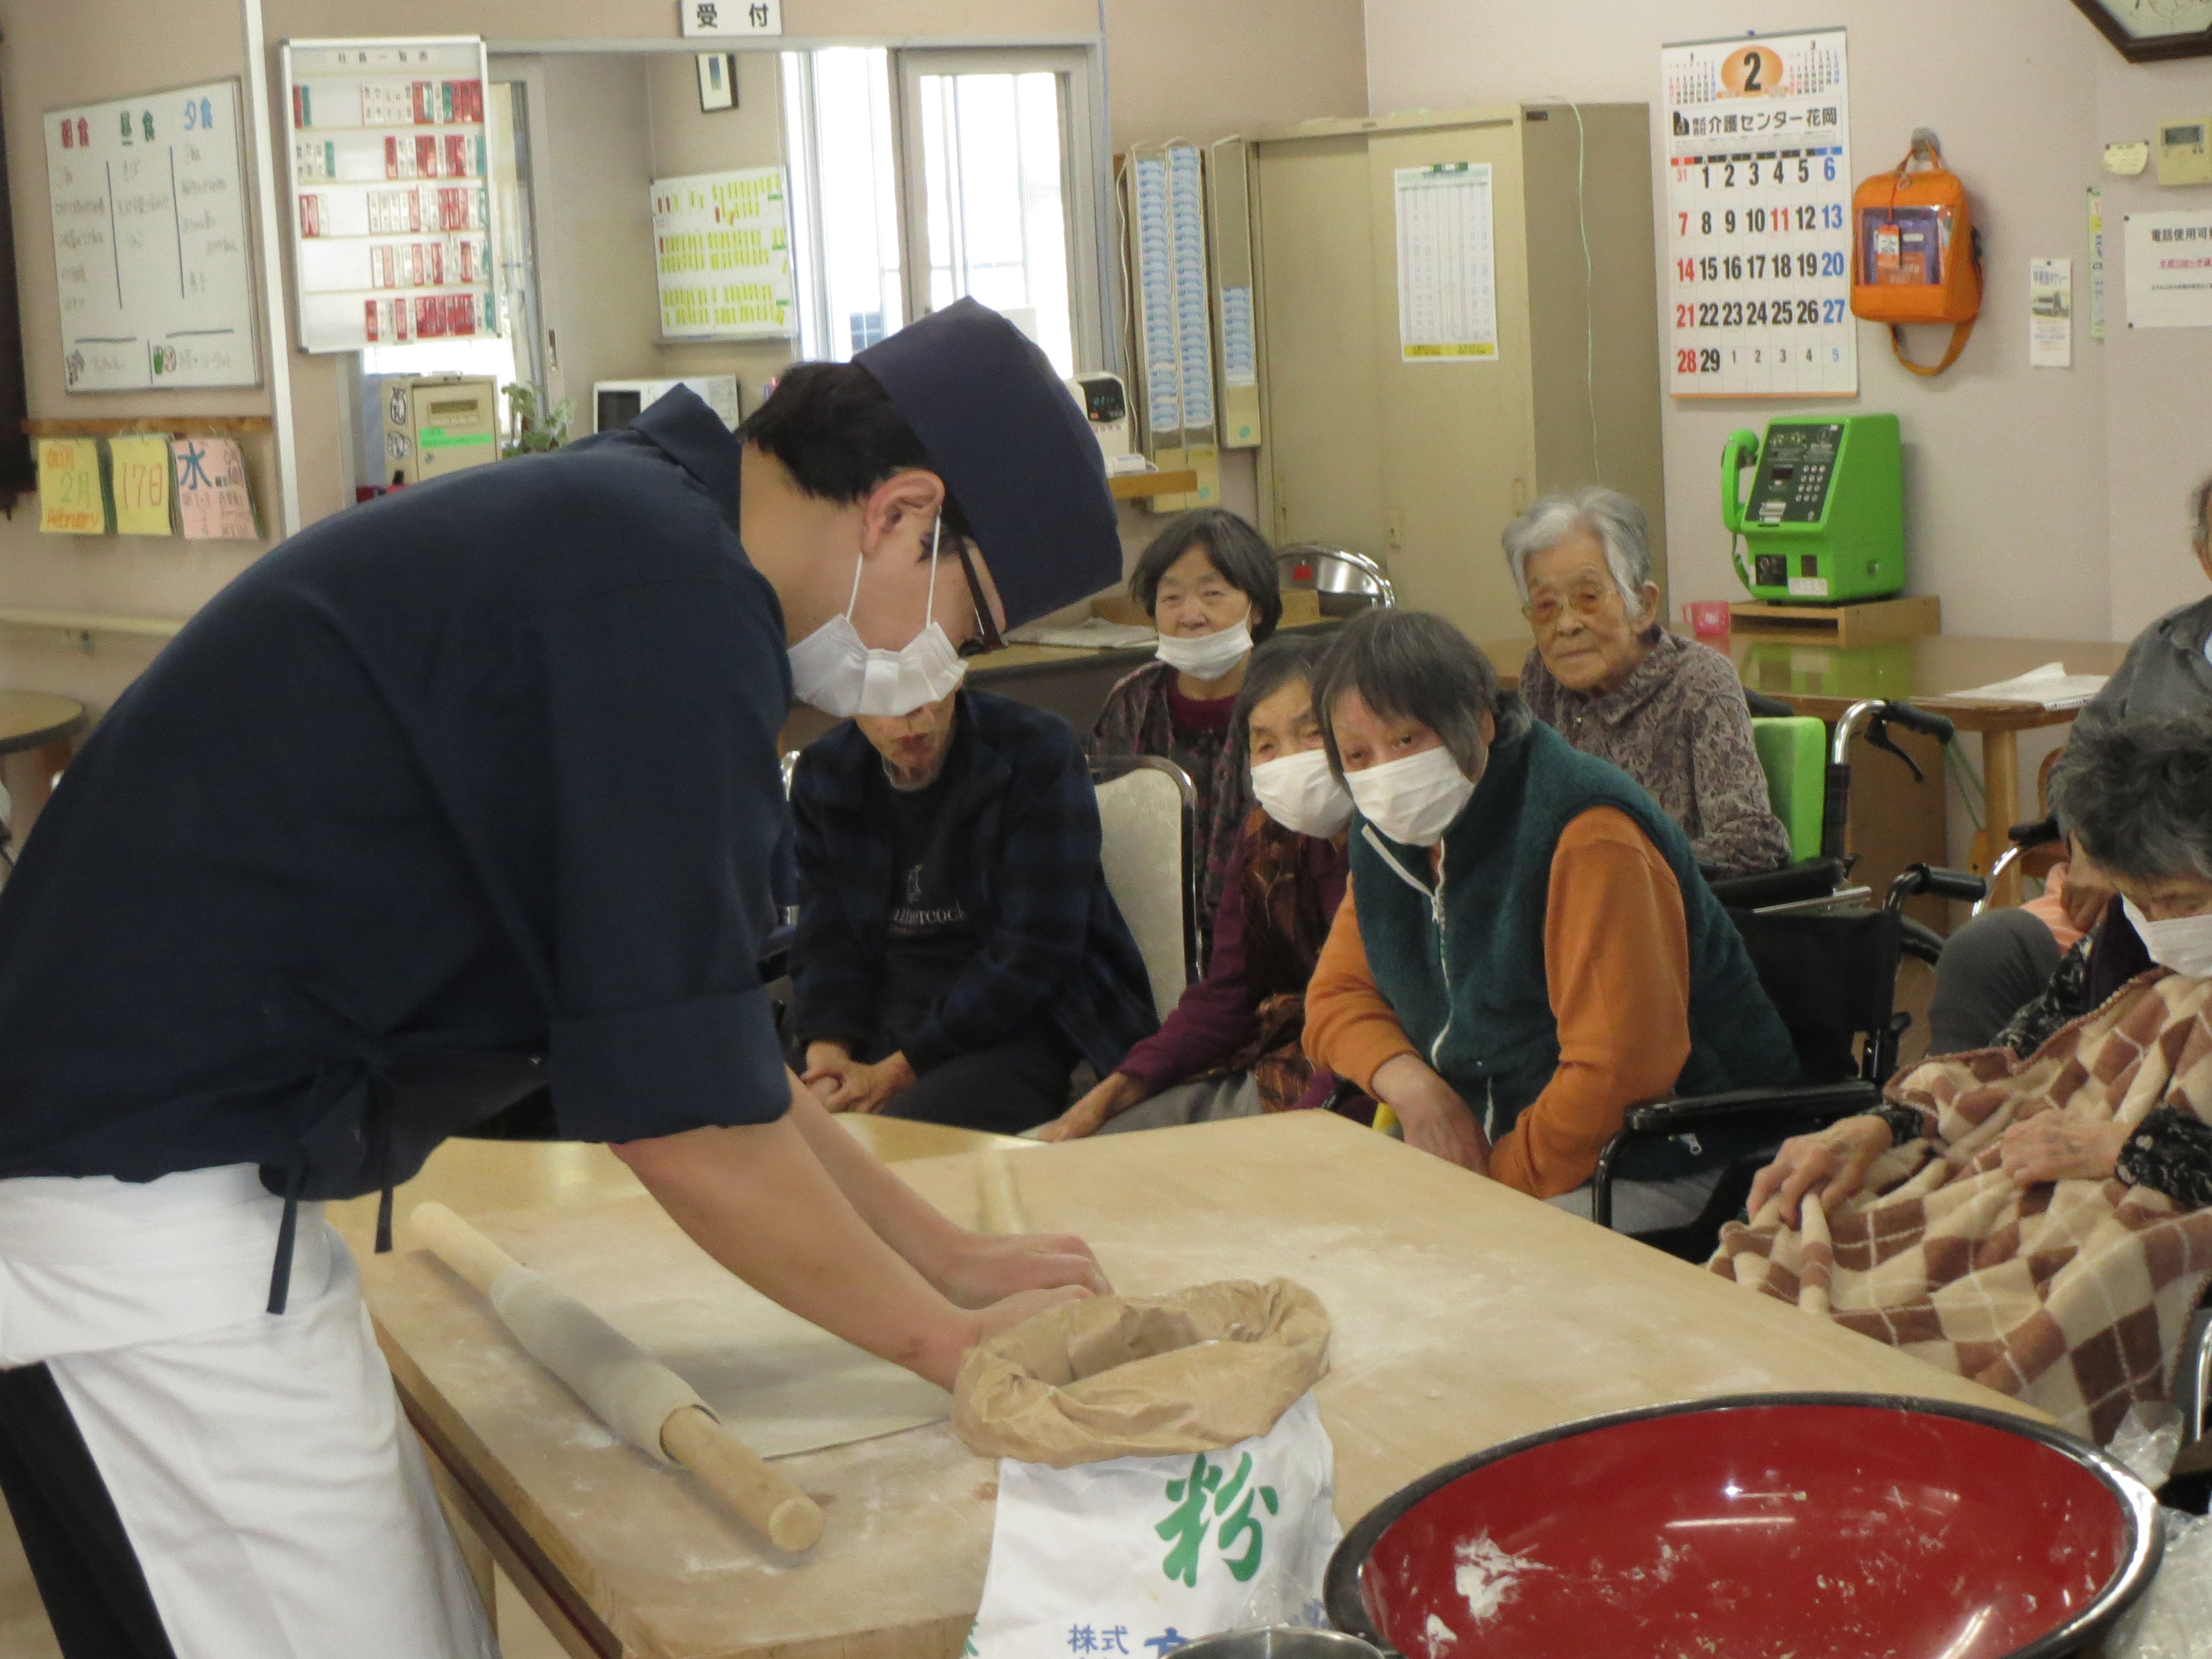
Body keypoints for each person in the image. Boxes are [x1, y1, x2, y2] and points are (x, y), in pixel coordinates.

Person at [0, 299, 1122, 1659]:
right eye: (972, 618)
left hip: (181, 1180)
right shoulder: (666, 593)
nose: (945, 664)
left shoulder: (639, 536)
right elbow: (683, 1123)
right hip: (131, 1216)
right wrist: (951, 1348)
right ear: (900, 514)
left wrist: (944, 1256)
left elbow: (710, 1058)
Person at [1718, 712, 2212, 1443]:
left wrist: (2128, 1147)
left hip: (2139, 1197)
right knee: (1817, 1240)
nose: (2159, 924)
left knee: (1985, 1340)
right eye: (2142, 902)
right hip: (2049, 1166)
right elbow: (2030, 1052)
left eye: (2182, 904)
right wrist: (1890, 1121)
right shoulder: (2136, 924)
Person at [1301, 609, 1801, 1231]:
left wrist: (1492, 1183)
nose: (1385, 772)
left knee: (1453, 1264)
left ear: (1480, 721)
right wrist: (1414, 1089)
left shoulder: (1585, 830)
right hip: (1511, 1140)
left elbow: (1620, 1071)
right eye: (1357, 755)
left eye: (1407, 741)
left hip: (1677, 1150)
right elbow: (1336, 998)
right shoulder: (1388, 838)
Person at [789, 682, 1157, 1136]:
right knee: (755, 1125)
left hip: (1021, 1020)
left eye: (923, 690)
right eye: (884, 699)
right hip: (887, 1010)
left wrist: (897, 1071)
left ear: (954, 676)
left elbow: (1038, 949)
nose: (910, 719)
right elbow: (828, 934)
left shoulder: (1034, 747)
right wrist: (828, 1056)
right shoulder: (826, 771)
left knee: (895, 1142)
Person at [1929, 471, 2212, 1053]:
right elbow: (2081, 766)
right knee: (1987, 949)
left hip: (2191, 901)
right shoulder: (2164, 644)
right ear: (2204, 555)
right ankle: (1960, 1124)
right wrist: (2091, 850)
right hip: (2120, 896)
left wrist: (2156, 877)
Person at [1040, 634, 1355, 1139]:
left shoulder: (1393, 842)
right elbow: (1227, 996)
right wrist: (1107, 1097)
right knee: (1085, 1143)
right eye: (1267, 744)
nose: (1290, 760)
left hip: (1357, 1080)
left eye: (1311, 734)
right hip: (1278, 1058)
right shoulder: (1266, 839)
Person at [1507, 488, 1790, 879]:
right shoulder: (1541, 678)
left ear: (1642, 606)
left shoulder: (1698, 681)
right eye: (1545, 606)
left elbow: (1751, 843)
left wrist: (1616, 867)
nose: (1567, 624)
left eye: (1588, 597)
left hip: (1674, 919)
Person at [1090, 508, 1283, 947]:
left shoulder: (1290, 702)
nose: (1190, 615)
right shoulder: (1132, 703)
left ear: (1257, 609)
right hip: (1150, 938)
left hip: (1268, 940)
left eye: (1212, 594)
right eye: (1171, 598)